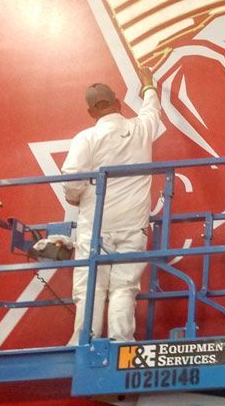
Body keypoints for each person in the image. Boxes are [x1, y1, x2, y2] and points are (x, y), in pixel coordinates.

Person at [61, 68, 160, 344]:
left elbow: (72, 182)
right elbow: (152, 110)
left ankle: (84, 340)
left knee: (91, 286)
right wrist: (148, 86)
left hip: (95, 226)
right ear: (118, 102)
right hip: (133, 225)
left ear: (91, 112)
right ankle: (121, 342)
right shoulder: (140, 129)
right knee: (124, 288)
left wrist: (75, 196)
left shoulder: (86, 138)